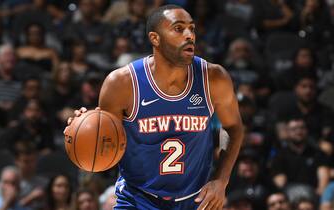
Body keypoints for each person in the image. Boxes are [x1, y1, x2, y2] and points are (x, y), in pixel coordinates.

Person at [65, 4, 244, 210]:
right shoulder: (122, 83)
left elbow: (234, 128)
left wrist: (221, 181)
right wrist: (85, 127)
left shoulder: (213, 78)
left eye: (192, 28)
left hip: (195, 200)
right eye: (178, 28)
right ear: (155, 38)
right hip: (138, 198)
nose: (189, 35)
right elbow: (105, 138)